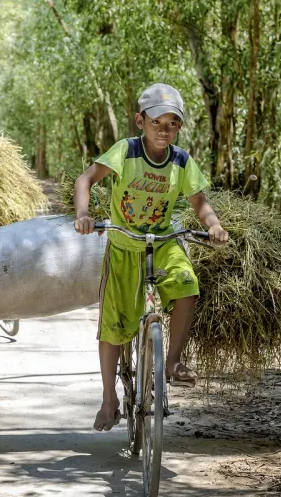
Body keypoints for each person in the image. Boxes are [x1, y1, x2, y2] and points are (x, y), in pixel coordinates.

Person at [73, 83, 229, 431]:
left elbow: (200, 202)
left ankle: (172, 361)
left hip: (163, 241)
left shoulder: (181, 160)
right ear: (140, 121)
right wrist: (83, 214)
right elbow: (85, 180)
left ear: (179, 128)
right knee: (113, 326)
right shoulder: (125, 152)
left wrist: (214, 225)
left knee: (188, 284)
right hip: (125, 244)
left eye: (173, 123)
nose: (165, 130)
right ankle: (109, 398)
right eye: (157, 122)